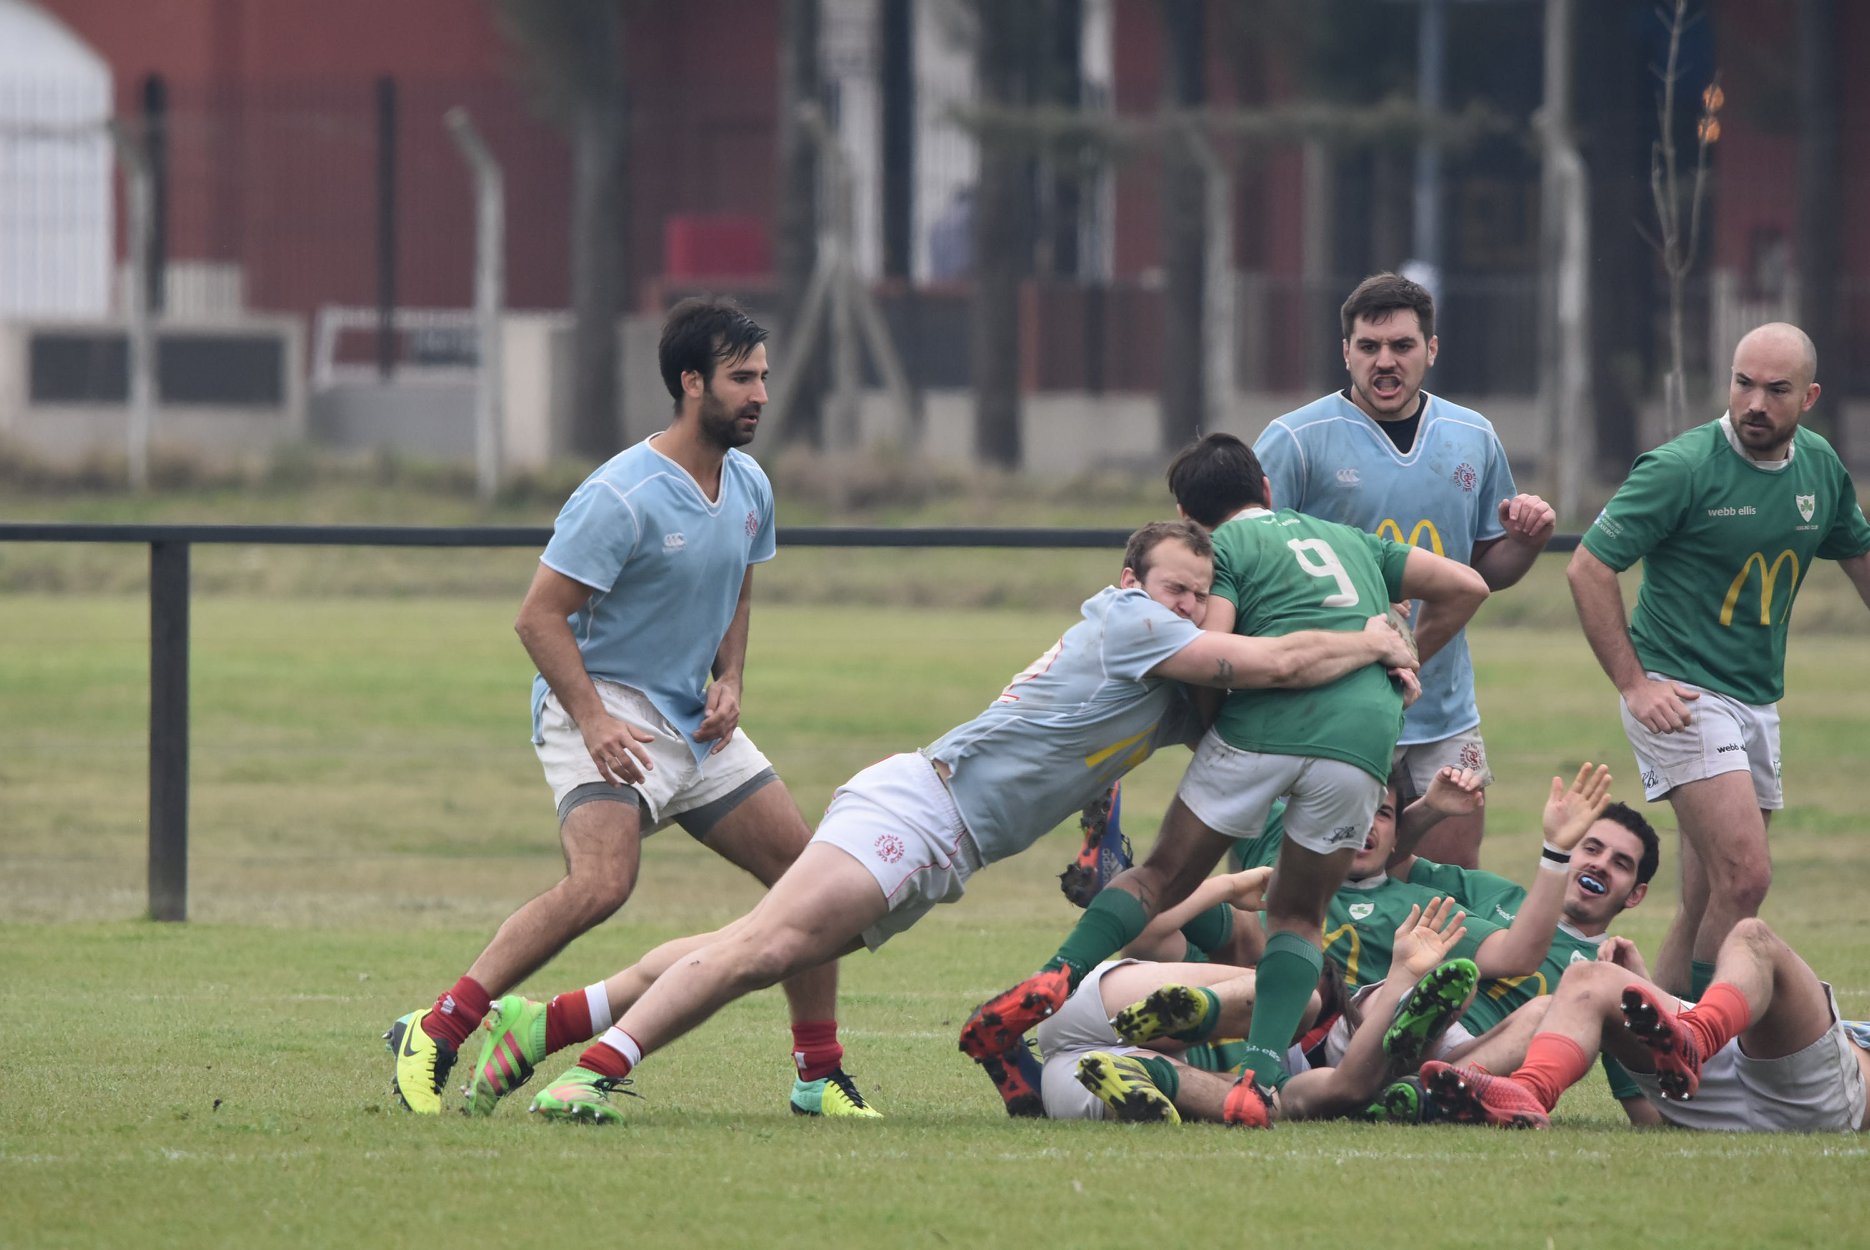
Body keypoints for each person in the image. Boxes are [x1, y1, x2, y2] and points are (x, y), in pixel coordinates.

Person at [516, 520, 1422, 1123]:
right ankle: (595, 1074)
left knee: (762, 942)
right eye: (1172, 587)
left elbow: (1213, 715)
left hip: (944, 841)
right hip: (918, 810)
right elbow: (1271, 664)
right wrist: (1374, 643)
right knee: (763, 951)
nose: (1184, 604)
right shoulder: (1132, 625)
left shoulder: (1173, 676)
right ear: (1128, 582)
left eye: (1197, 593)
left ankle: (552, 1020)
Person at [386, 297, 874, 1119]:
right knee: (603, 883)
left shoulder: (749, 482)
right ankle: (437, 1029)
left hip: (695, 717)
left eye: (762, 376)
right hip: (604, 700)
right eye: (740, 379)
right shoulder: (621, 495)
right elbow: (536, 618)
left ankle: (817, 1074)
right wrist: (594, 720)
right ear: (691, 383)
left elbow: (739, 582)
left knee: (809, 884)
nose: (759, 394)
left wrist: (732, 678)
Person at [962, 434, 1491, 1123]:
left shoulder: (1222, 554)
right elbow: (1468, 585)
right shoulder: (1347, 538)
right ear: (1267, 489)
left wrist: (1212, 732)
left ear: (1188, 516)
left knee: (1159, 877)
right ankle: (1260, 1080)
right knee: (1299, 916)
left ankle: (1057, 974)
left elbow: (1221, 651)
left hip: (1264, 723)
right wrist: (1401, 661)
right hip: (1364, 735)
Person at [1567, 322, 1870, 999]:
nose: (1754, 402)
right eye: (1743, 384)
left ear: (1810, 396)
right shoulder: (1682, 468)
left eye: (1775, 389)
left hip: (1755, 701)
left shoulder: (1819, 467)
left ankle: (1657, 1062)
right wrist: (1636, 684)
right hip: (1682, 696)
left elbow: (1860, 559)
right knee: (1746, 878)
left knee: (1709, 904)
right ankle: (1709, 1052)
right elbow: (1588, 567)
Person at [1254, 272, 1556, 869]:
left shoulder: (1473, 436)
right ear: (1345, 352)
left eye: (1402, 346)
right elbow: (1251, 559)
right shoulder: (1295, 440)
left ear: (1432, 350)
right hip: (1333, 705)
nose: (1384, 362)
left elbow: (1482, 572)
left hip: (1443, 708)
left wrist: (1527, 542)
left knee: (1449, 893)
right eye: (1368, 347)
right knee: (1330, 892)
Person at [1047, 898, 1478, 1127]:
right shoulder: (1213, 962)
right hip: (1112, 1006)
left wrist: (1401, 975)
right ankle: (1207, 1012)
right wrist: (1229, 887)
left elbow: (1349, 1083)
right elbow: (1148, 927)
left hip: (1088, 1071)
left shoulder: (1296, 1073)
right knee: (1295, 1013)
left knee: (1276, 1099)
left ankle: (1162, 1068)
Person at [1420, 917, 1870, 1132]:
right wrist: (1647, 989)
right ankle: (1528, 1093)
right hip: (1704, 1089)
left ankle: (1698, 1032)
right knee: (1586, 978)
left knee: (1754, 937)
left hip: (1813, 1092)